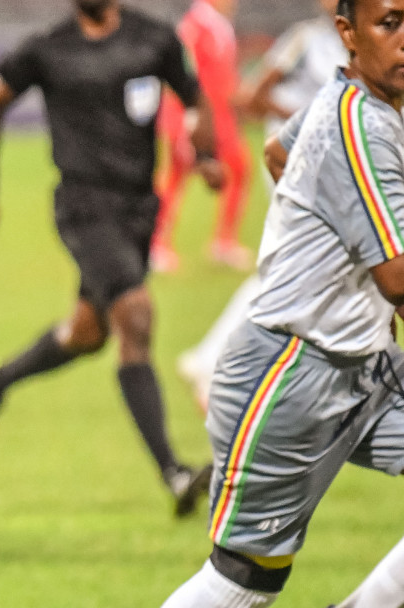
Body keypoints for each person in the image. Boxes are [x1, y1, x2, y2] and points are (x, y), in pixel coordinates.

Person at [75, 0, 404, 608]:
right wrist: (334, 265)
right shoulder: (362, 122)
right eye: (391, 20)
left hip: (362, 362)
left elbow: (278, 152)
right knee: (245, 581)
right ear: (347, 30)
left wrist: (314, 238)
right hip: (290, 373)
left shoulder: (359, 107)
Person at [0, 0, 227, 518]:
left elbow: (195, 99)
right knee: (136, 317)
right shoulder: (48, 47)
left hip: (138, 208)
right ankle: (173, 472)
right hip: (84, 206)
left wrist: (209, 155)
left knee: (87, 332)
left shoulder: (154, 38)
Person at [176, 0, 347, 412]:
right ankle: (219, 361)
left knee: (311, 268)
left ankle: (222, 361)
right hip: (296, 166)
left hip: (342, 171)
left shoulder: (365, 43)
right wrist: (307, 116)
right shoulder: (306, 41)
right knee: (307, 266)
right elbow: (253, 98)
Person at [152, 0, 251, 273]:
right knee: (175, 177)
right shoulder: (194, 26)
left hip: (219, 116)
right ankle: (158, 246)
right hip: (197, 116)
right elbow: (182, 76)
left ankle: (223, 241)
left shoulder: (216, 25)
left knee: (238, 170)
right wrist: (188, 120)